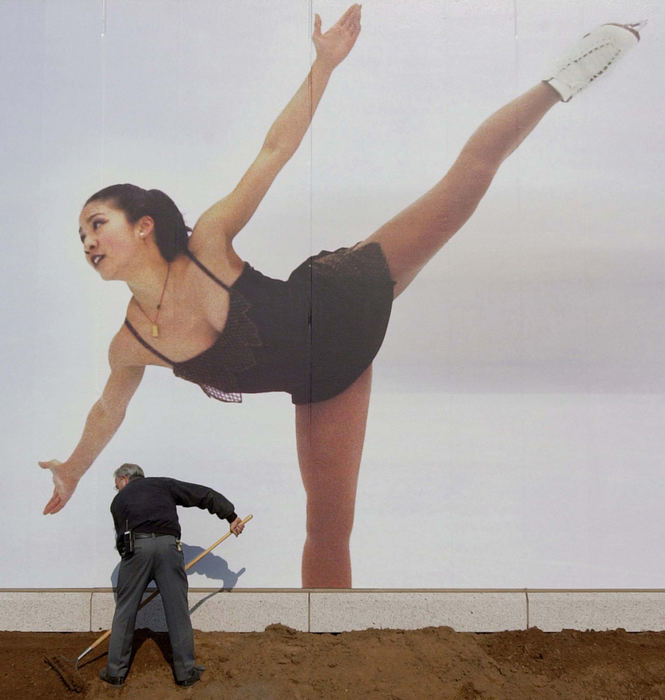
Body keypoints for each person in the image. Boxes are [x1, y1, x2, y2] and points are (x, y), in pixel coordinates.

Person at [39, 7, 643, 587]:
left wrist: (323, 65)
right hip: (324, 377)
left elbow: (273, 151)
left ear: (142, 224)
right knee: (327, 526)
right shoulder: (131, 344)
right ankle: (329, 652)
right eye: (81, 235)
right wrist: (73, 468)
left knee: (464, 183)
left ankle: (562, 79)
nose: (88, 240)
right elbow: (106, 412)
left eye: (97, 223)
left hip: (337, 297)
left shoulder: (208, 242)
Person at [98, 463, 245, 687]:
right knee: (177, 610)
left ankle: (115, 672)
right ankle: (186, 672)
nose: (116, 489)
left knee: (125, 611)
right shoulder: (162, 484)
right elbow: (203, 495)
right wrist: (231, 515)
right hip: (169, 548)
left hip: (136, 549)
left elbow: (121, 539)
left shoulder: (118, 501)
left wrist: (136, 561)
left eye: (116, 484)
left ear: (125, 478)